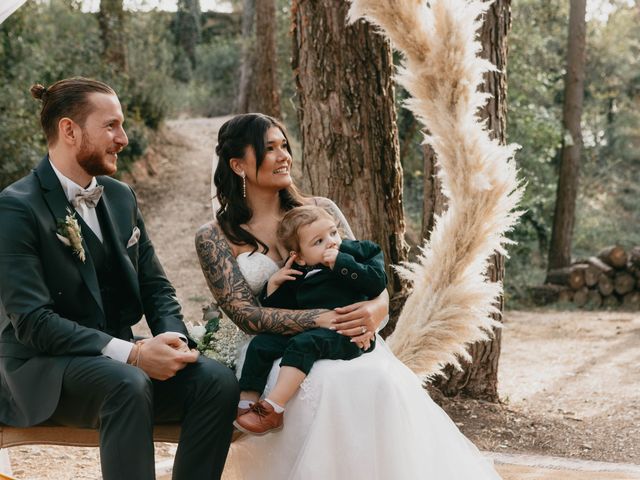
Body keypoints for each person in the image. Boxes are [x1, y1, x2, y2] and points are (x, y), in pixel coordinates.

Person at [195, 112, 502, 479]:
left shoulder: (321, 211)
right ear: (237, 165)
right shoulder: (214, 236)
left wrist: (373, 313)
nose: (283, 156)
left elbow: (369, 281)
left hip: (345, 335)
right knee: (327, 382)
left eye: (284, 146)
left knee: (382, 380)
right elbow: (245, 314)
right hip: (270, 344)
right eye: (269, 148)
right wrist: (320, 319)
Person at [0, 77, 239, 480]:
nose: (123, 138)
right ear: (69, 130)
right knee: (126, 383)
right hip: (43, 372)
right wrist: (134, 354)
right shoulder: (15, 208)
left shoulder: (120, 196)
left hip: (116, 366)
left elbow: (156, 287)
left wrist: (173, 340)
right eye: (111, 125)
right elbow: (32, 322)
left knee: (216, 382)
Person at [235, 205, 387, 435]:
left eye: (333, 233)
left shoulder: (360, 252)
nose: (331, 242)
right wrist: (273, 285)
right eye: (318, 241)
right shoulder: (301, 272)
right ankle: (246, 403)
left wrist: (342, 263)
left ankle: (273, 409)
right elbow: (283, 312)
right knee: (262, 343)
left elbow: (377, 282)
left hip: (349, 334)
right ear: (301, 258)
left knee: (303, 344)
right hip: (312, 330)